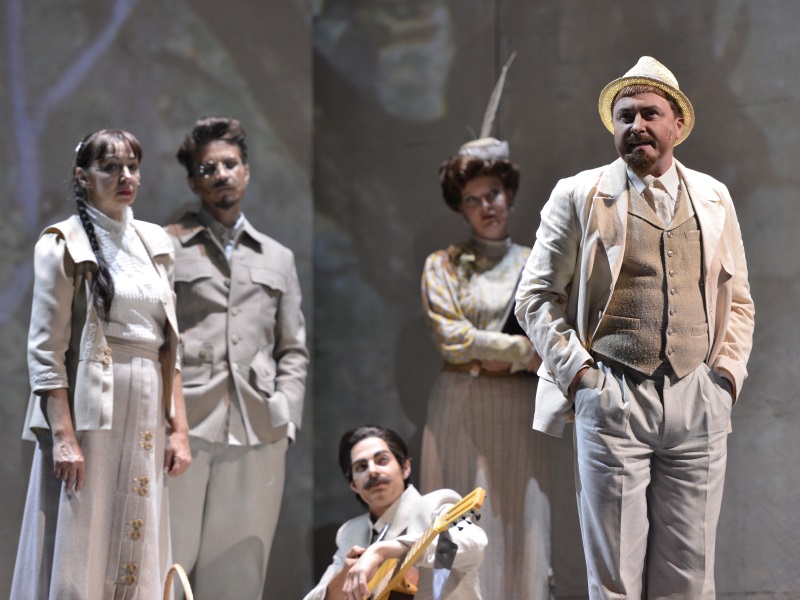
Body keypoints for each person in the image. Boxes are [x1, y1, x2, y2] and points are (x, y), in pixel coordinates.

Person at [515, 56, 755, 598]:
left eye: (650, 114)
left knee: (691, 573)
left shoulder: (713, 196)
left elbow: (738, 298)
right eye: (625, 116)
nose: (636, 126)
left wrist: (725, 380)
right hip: (613, 392)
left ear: (677, 125)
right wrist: (581, 377)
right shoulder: (579, 193)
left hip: (697, 395)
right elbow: (534, 297)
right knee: (615, 577)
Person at [11, 129, 191, 599]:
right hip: (90, 408)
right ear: (83, 177)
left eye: (132, 166)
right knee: (83, 531)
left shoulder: (155, 242)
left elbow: (171, 345)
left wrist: (179, 428)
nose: (125, 176)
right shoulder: (62, 242)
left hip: (148, 401)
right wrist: (64, 437)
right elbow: (46, 350)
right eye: (110, 167)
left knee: (138, 524)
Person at [165, 116, 309, 599]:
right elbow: (157, 337)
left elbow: (293, 348)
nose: (221, 174)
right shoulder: (166, 245)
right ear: (193, 181)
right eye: (208, 168)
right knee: (168, 565)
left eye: (230, 164)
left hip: (257, 427)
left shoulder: (278, 257)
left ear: (246, 171)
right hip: (184, 425)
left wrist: (285, 416)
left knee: (238, 574)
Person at [419, 133, 553, 597]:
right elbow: (452, 339)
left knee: (518, 515)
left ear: (509, 194)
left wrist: (513, 356)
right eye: (472, 200)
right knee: (454, 514)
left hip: (517, 407)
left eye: (492, 194)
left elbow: (551, 339)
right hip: (459, 404)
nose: (485, 207)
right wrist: (518, 353)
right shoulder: (443, 265)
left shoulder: (538, 264)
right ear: (461, 208)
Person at [304, 425, 487, 600]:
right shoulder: (350, 532)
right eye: (361, 467)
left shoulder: (437, 503)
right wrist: (347, 573)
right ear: (353, 485)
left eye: (382, 460)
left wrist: (383, 550)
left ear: (405, 468)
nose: (372, 471)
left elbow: (475, 546)